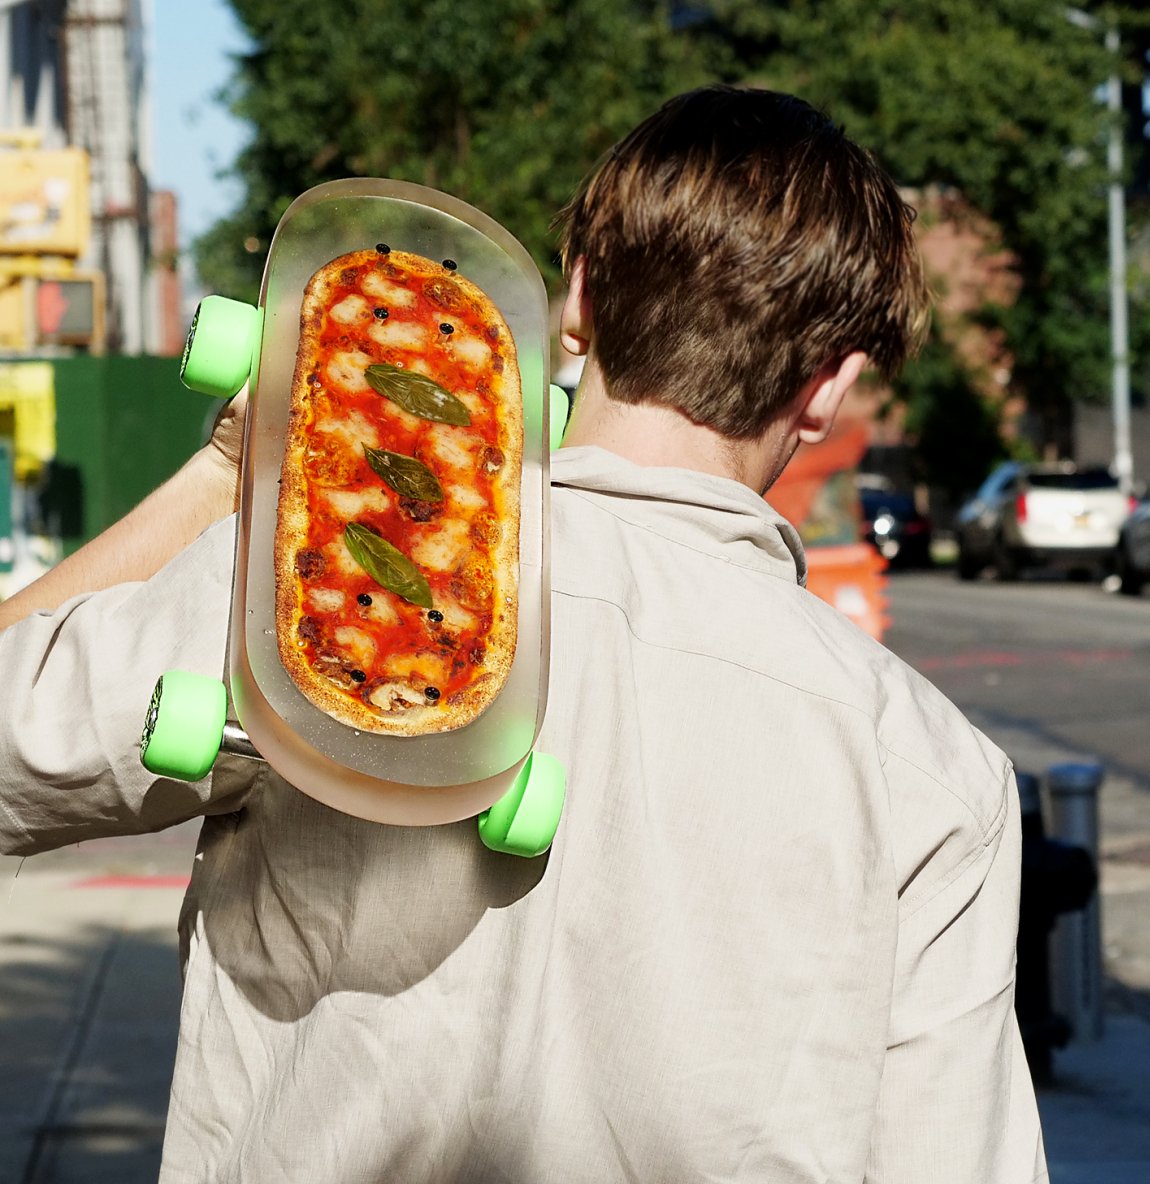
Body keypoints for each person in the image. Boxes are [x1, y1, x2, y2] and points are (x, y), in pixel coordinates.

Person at [0, 86, 1046, 1182]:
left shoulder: (340, 601)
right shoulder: (933, 776)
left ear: (578, 298)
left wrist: (226, 477)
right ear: (831, 386)